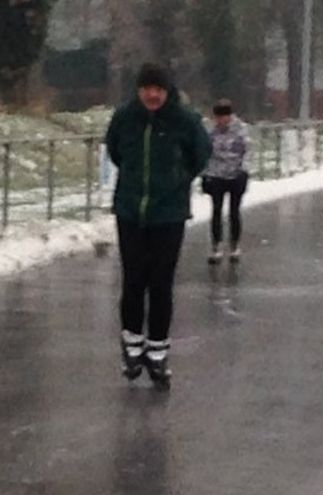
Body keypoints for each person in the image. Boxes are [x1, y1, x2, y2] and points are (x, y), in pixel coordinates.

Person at [105, 63, 212, 388]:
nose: (152, 95)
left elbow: (201, 154)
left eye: (159, 89)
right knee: (134, 279)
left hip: (169, 214)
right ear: (138, 91)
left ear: (168, 92)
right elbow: (115, 151)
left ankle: (158, 351)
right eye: (147, 88)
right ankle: (132, 343)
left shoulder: (184, 121)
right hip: (130, 212)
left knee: (161, 283)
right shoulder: (125, 118)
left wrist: (178, 179)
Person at [201, 99, 250, 265]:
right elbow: (204, 151)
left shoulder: (241, 130)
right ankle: (216, 246)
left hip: (235, 174)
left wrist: (243, 171)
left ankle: (234, 245)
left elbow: (247, 151)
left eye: (224, 117)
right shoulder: (210, 130)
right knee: (216, 210)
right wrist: (205, 172)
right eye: (218, 117)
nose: (221, 121)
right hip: (216, 175)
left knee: (234, 211)